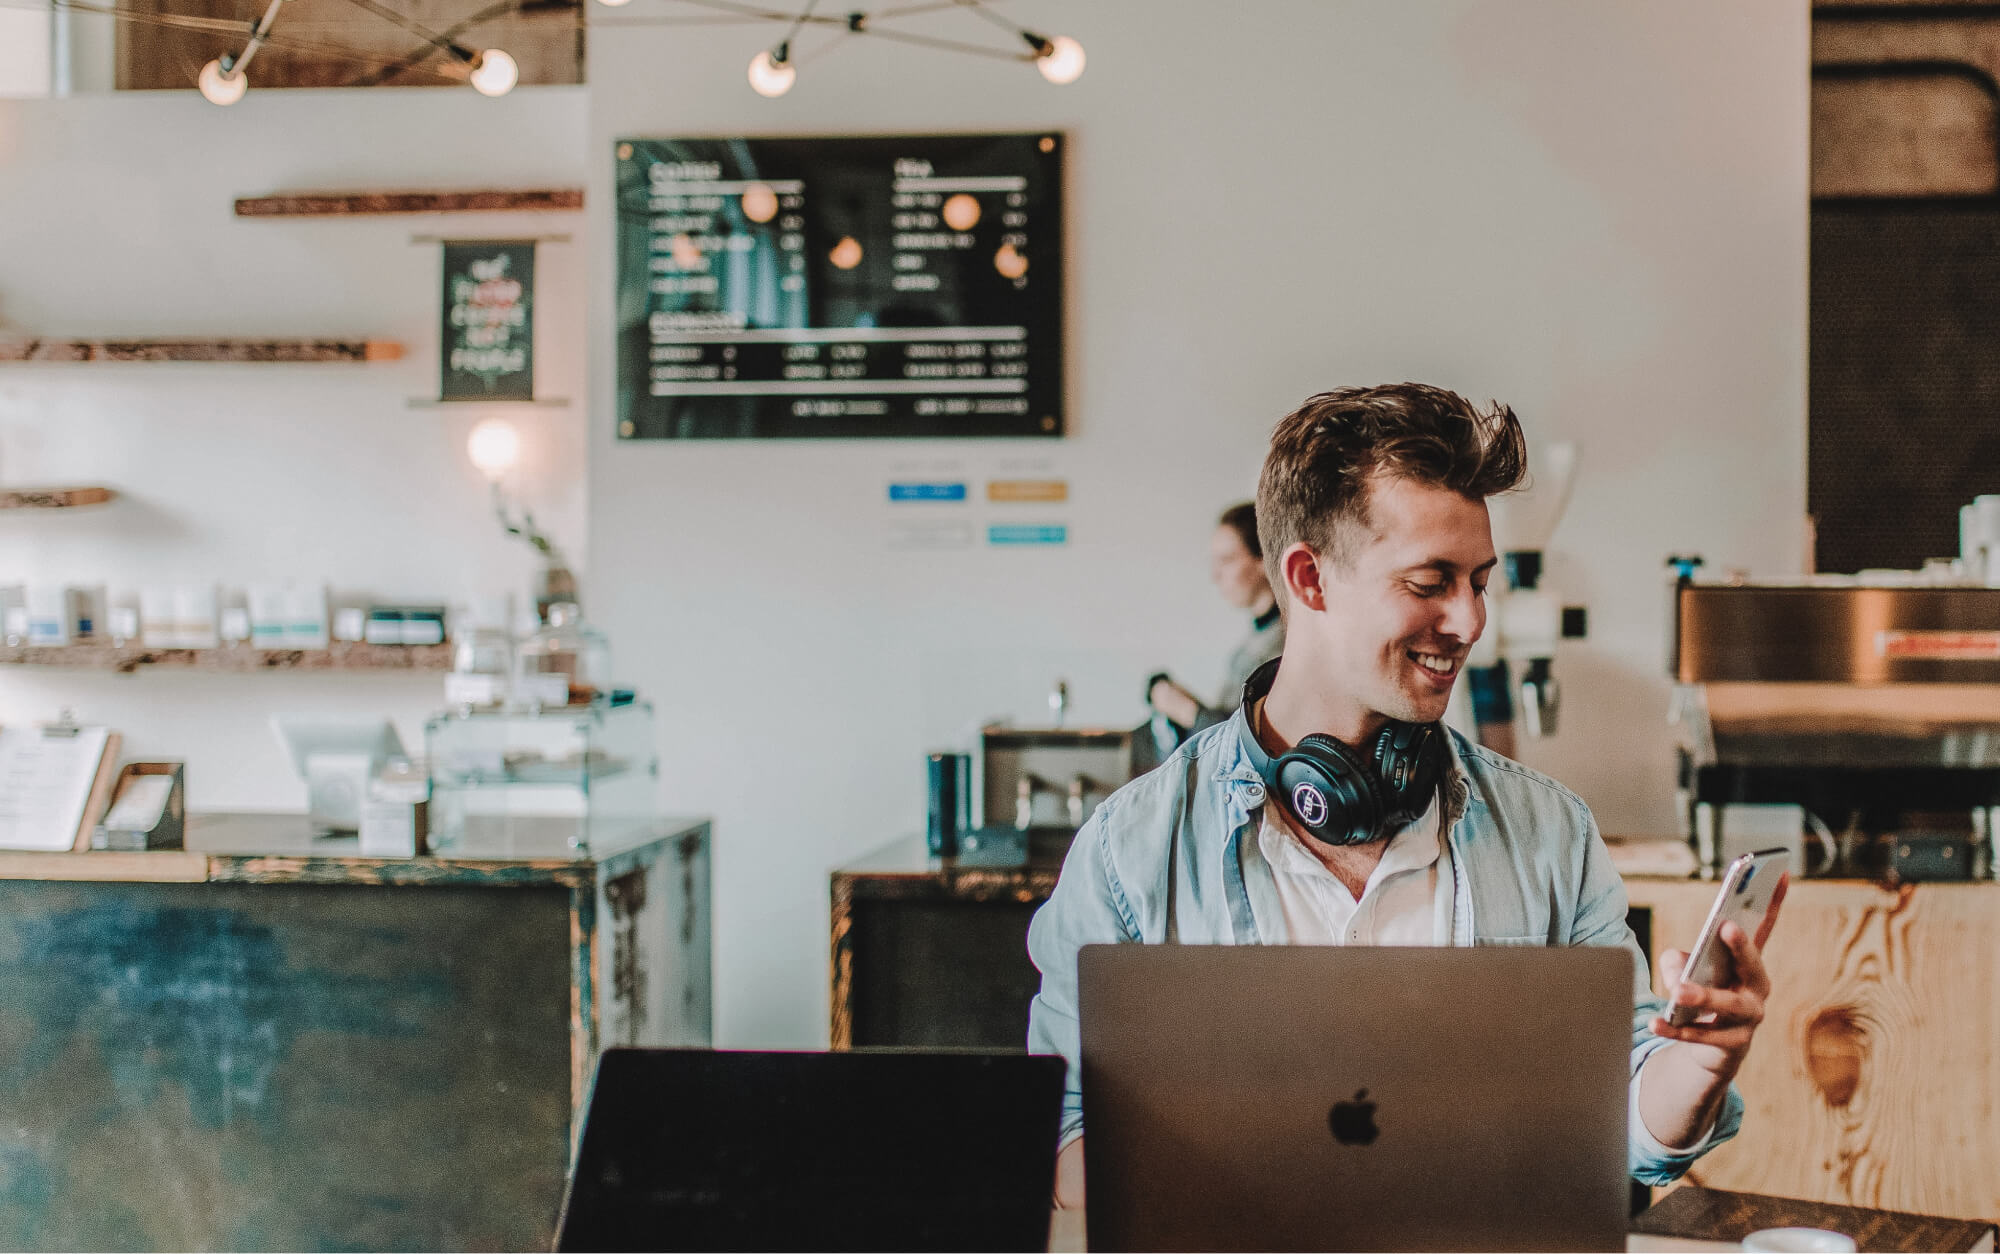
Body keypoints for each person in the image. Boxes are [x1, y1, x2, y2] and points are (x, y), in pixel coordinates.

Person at [1027, 384, 1785, 1210]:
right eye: (1430, 582)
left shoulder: (1551, 831)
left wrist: (1699, 1062)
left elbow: (1624, 1119)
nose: (1469, 621)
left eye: (1479, 582)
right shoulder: (1128, 852)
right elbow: (1061, 1136)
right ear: (1310, 579)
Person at [1146, 502, 1286, 736]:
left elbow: (1249, 741)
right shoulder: (1258, 638)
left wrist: (1185, 710)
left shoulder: (1285, 644)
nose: (1216, 575)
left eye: (1227, 560)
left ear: (1264, 559)